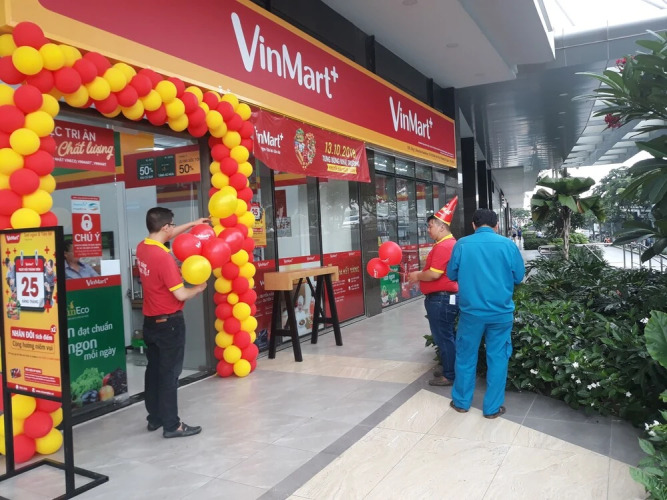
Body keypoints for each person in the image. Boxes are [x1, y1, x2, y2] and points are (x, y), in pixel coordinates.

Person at [136, 207, 208, 438]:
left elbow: (169, 233)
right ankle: (172, 425)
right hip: (170, 324)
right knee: (169, 375)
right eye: (172, 225)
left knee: (154, 372)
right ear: (166, 227)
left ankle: (155, 418)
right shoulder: (164, 258)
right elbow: (180, 294)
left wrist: (193, 223)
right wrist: (198, 288)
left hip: (151, 322)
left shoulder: (142, 247)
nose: (174, 229)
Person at [446, 208, 525, 419]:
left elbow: (451, 274)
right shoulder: (508, 245)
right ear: (496, 225)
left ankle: (461, 402)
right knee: (498, 358)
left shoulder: (462, 244)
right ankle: (492, 408)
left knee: (465, 356)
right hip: (501, 314)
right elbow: (519, 277)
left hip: (471, 314)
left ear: (473, 225)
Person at [408, 196, 459, 386]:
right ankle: (449, 368)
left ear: (442, 227)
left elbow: (434, 274)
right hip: (443, 298)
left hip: (441, 299)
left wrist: (417, 275)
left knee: (444, 337)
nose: (428, 230)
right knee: (445, 336)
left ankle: (450, 374)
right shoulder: (447, 244)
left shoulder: (444, 246)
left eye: (430, 226)